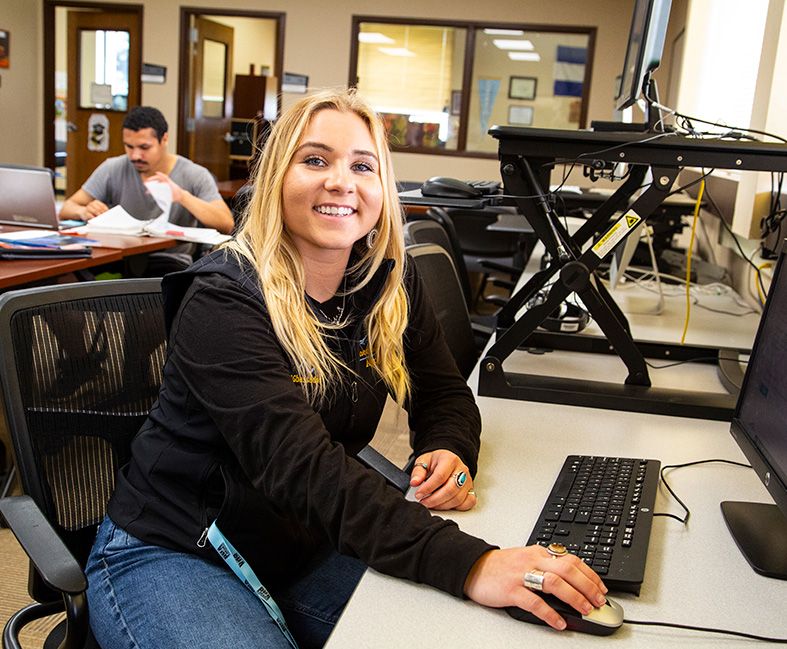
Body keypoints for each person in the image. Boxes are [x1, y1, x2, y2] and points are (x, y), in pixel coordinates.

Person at [85, 88, 607, 649]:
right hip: (176, 547)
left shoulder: (385, 284)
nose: (342, 182)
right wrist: (473, 564)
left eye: (363, 165)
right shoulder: (224, 299)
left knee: (460, 635)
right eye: (315, 160)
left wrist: (451, 449)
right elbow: (305, 469)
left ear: (383, 187)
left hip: (298, 539)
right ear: (274, 178)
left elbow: (446, 395)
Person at [60, 105, 234, 274]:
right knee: (67, 269)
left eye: (144, 147)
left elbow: (226, 223)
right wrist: (84, 212)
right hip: (118, 255)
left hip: (169, 261)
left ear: (164, 139)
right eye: (129, 146)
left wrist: (182, 196)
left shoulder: (194, 174)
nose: (135, 155)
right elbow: (67, 208)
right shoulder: (113, 168)